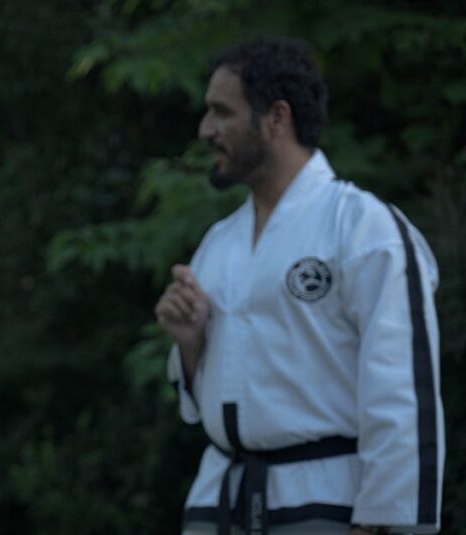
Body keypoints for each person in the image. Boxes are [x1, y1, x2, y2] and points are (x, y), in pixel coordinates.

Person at [155, 37, 443, 535]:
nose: (205, 130)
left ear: (277, 118)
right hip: (221, 497)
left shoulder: (363, 228)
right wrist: (190, 342)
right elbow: (201, 403)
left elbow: (401, 386)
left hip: (329, 501)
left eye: (222, 112)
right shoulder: (218, 244)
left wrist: (386, 517)